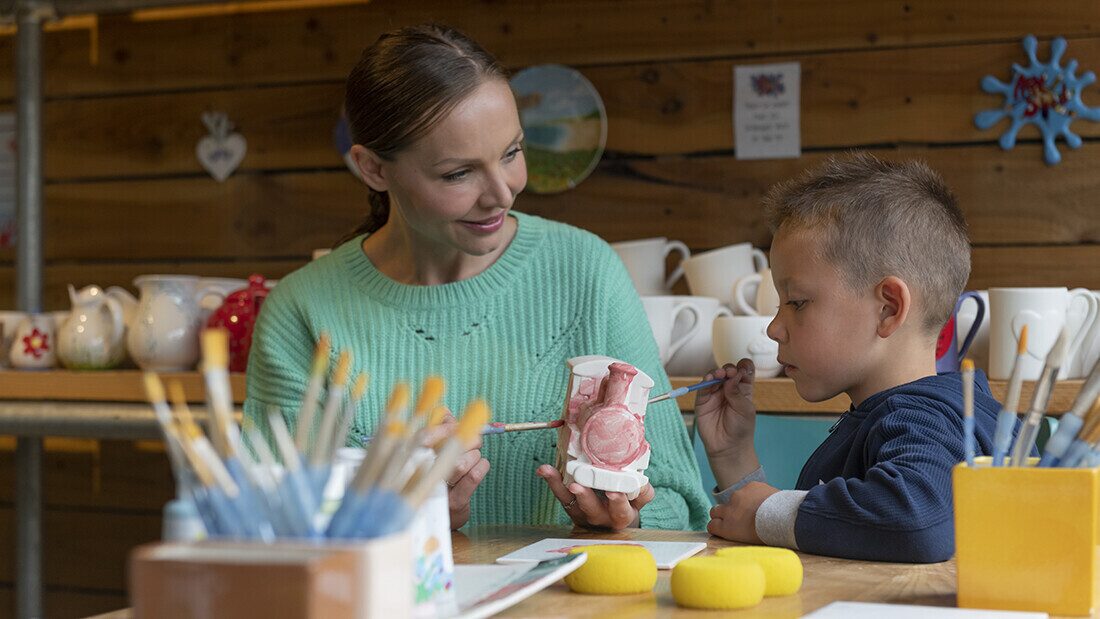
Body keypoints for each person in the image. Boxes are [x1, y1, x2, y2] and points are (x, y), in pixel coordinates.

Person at [244, 23, 710, 532]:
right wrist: (400, 522)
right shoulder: (302, 313)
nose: (502, 193)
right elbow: (266, 533)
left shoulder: (585, 273)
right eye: (457, 174)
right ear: (373, 169)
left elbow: (682, 508)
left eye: (512, 153)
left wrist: (626, 521)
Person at [697, 153, 1007, 562]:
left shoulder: (923, 418)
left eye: (797, 301)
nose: (774, 328)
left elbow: (916, 523)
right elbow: (834, 535)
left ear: (888, 308)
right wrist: (734, 457)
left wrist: (767, 512)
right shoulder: (906, 414)